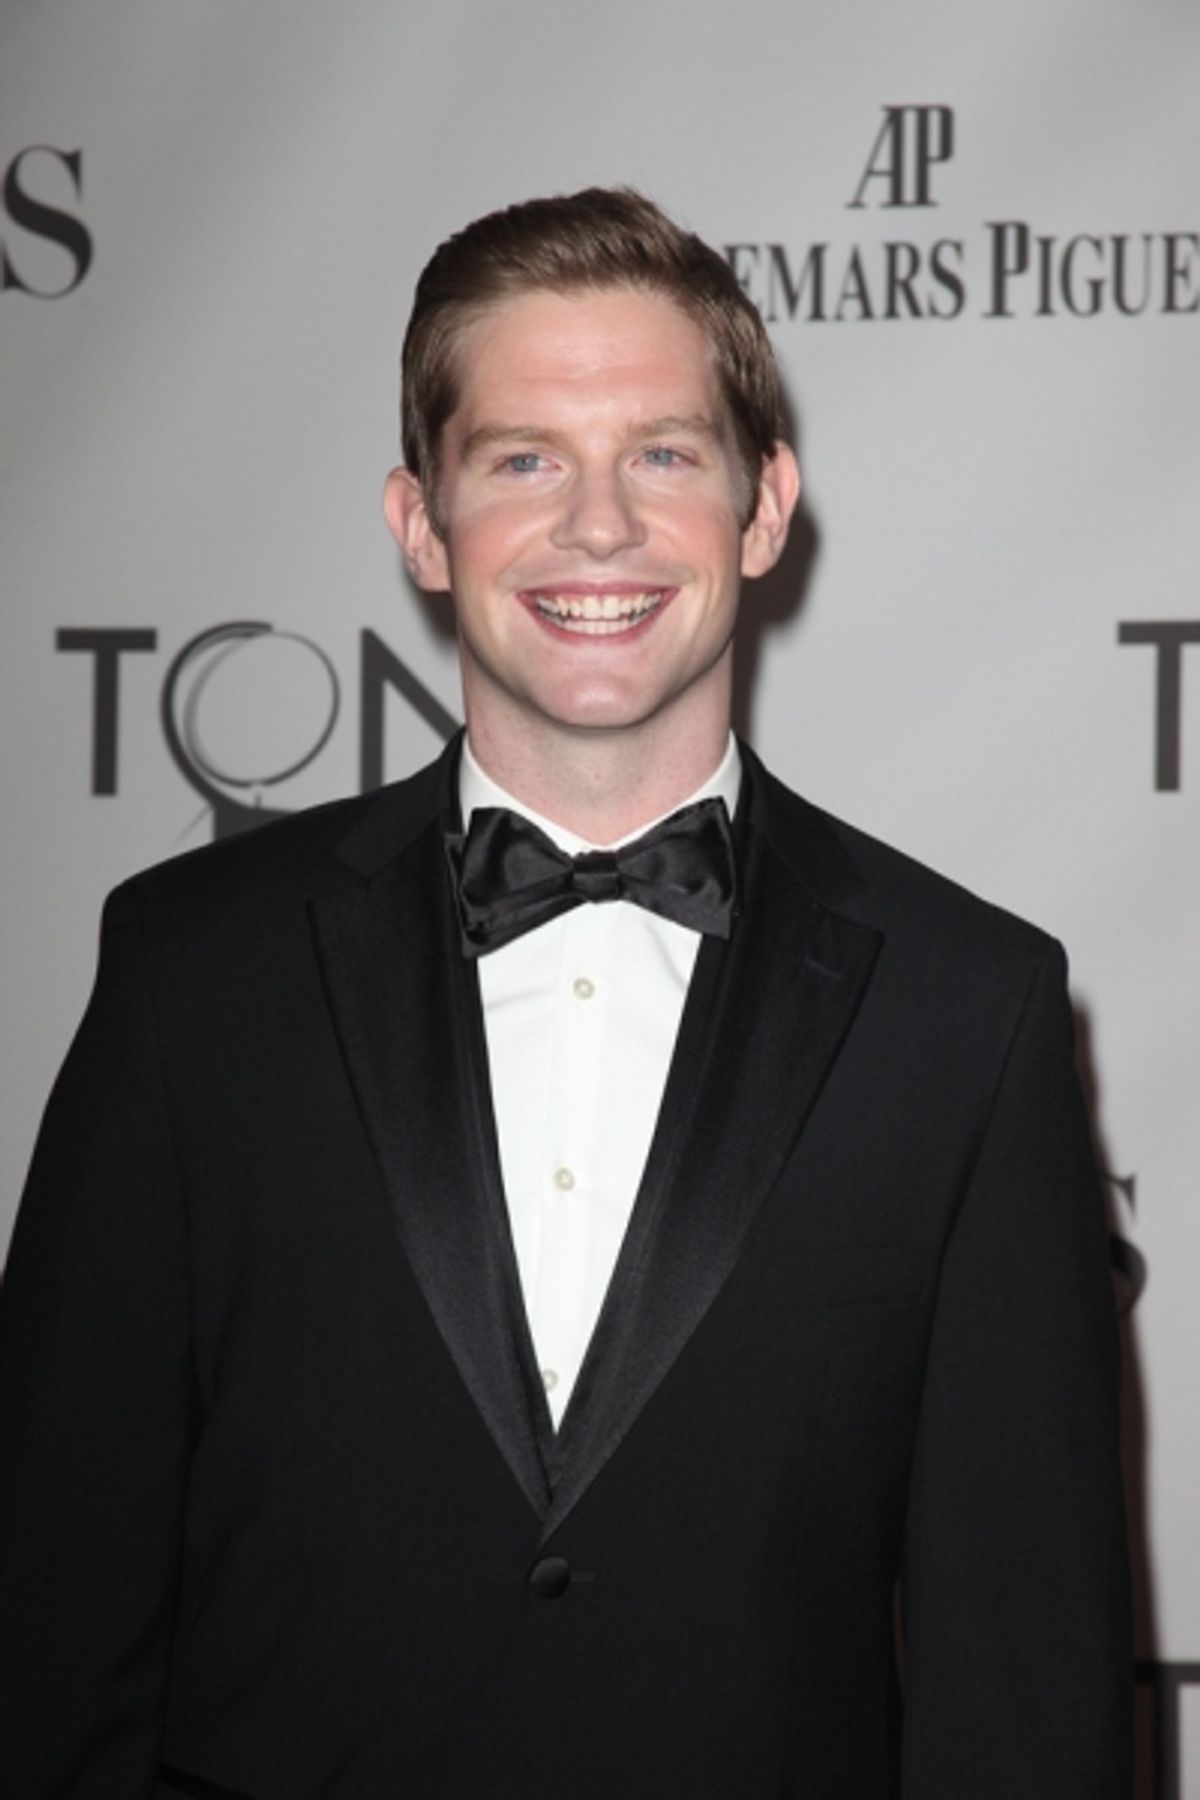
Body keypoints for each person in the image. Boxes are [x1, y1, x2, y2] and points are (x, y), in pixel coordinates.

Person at [0, 187, 1132, 1798]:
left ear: (764, 506)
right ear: (419, 521)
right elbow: (54, 1608)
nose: (597, 525)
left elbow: (1024, 1689)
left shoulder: (973, 1009)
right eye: (524, 458)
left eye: (662, 454)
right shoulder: (192, 972)